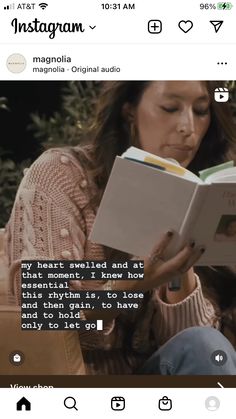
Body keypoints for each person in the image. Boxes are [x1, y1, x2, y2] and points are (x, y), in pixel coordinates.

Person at [5, 81, 236, 375]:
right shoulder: (60, 174)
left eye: (201, 111)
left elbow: (200, 353)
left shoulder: (204, 198)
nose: (188, 127)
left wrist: (181, 264)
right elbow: (46, 314)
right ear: (129, 111)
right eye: (170, 108)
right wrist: (130, 282)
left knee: (204, 345)